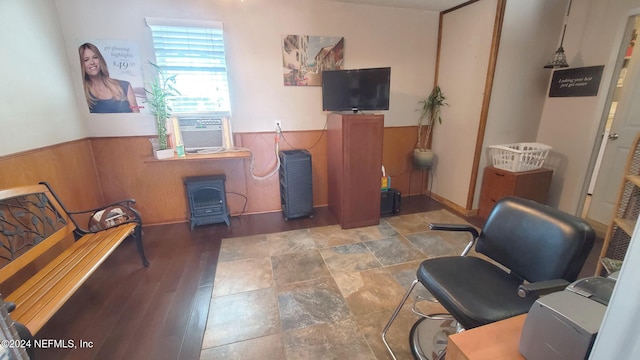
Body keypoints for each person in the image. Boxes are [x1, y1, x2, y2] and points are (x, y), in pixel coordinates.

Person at [79, 42, 140, 113]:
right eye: (86, 60)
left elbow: (137, 115)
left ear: (100, 60)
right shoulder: (82, 94)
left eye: (95, 57)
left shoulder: (125, 86)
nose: (92, 62)